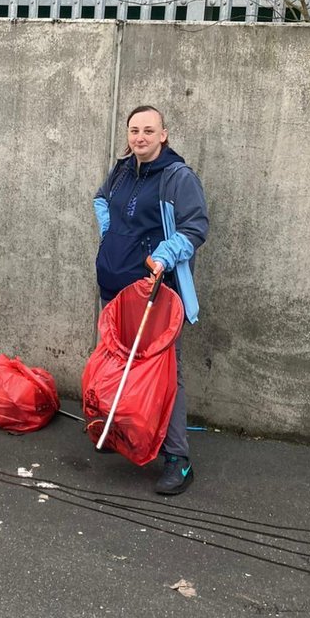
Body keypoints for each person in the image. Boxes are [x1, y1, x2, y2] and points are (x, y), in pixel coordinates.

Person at [93, 105, 208, 495]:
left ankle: (178, 459)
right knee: (118, 362)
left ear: (164, 134)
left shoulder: (177, 177)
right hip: (114, 285)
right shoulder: (123, 169)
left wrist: (163, 254)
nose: (139, 137)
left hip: (154, 291)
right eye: (134, 130)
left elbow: (196, 226)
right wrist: (109, 235)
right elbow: (101, 199)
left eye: (148, 130)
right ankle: (122, 432)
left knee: (163, 374)